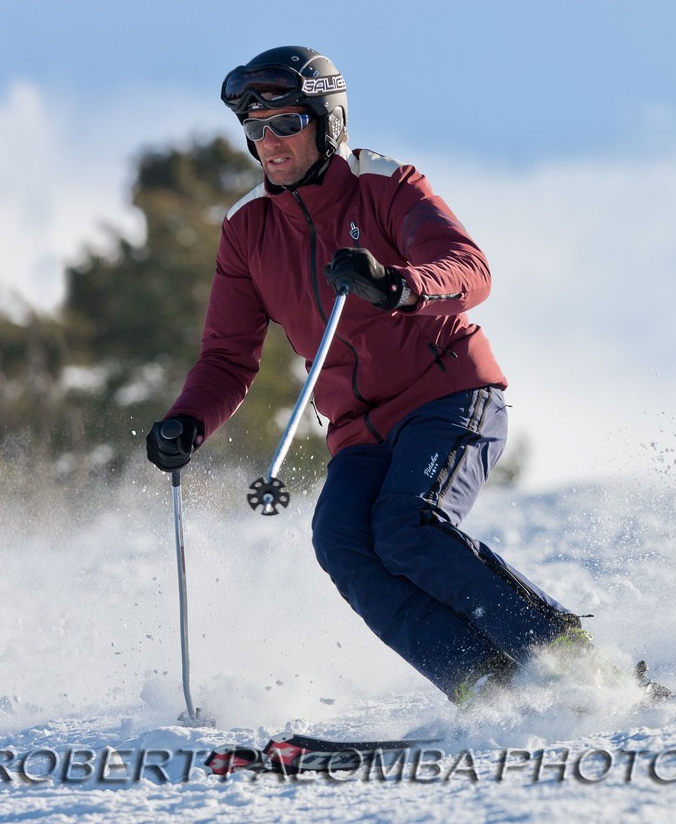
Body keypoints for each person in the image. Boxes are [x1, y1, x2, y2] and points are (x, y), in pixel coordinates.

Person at [146, 45, 596, 707]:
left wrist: (398, 285)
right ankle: (485, 687)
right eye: (254, 128)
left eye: (285, 123)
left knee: (408, 525)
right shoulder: (248, 231)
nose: (268, 142)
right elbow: (228, 357)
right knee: (343, 542)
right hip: (359, 428)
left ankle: (567, 660)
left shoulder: (384, 185)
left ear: (325, 123)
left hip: (448, 394)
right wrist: (190, 420)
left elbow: (468, 267)